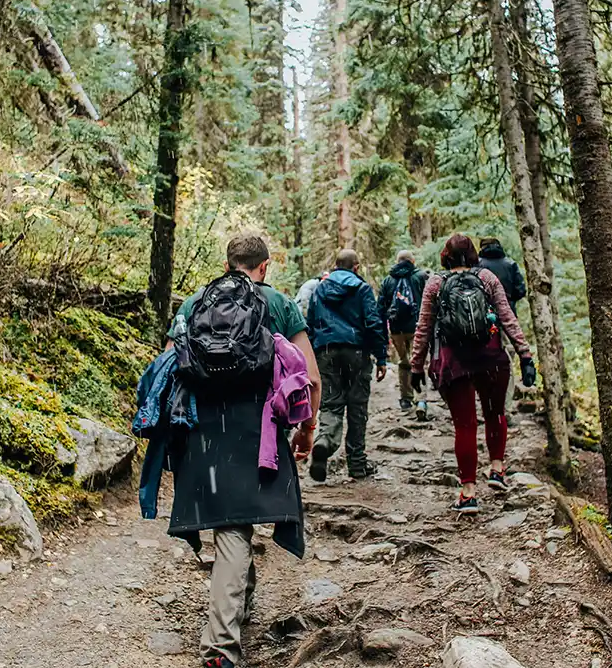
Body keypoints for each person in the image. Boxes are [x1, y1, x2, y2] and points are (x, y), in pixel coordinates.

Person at [163, 233, 322, 668]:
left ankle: (239, 603)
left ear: (227, 263)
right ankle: (219, 648)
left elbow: (167, 366)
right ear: (264, 267)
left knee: (232, 521)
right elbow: (310, 376)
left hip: (203, 432)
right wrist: (307, 429)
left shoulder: (194, 303)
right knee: (235, 527)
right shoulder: (279, 304)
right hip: (258, 429)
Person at [410, 234, 537, 514]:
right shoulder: (487, 278)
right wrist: (525, 355)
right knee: (495, 414)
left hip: (453, 362)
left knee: (465, 425)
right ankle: (497, 469)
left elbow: (424, 327)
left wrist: (416, 365)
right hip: (491, 358)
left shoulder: (436, 283)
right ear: (473, 255)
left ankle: (468, 493)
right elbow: (507, 318)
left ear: (445, 255)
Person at [306, 249, 388, 482]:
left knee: (330, 405)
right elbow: (373, 323)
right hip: (356, 352)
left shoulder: (320, 289)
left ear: (335, 265)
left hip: (326, 351)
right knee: (357, 408)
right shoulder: (362, 289)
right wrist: (381, 357)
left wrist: (311, 356)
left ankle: (324, 441)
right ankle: (357, 464)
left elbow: (310, 323)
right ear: (356, 267)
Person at [477, 237, 528, 417]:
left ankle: (486, 403)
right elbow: (521, 290)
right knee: (507, 360)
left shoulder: (477, 266)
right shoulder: (510, 264)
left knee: (482, 359)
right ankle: (505, 407)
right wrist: (508, 299)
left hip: (481, 319)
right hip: (507, 317)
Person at [378, 249, 428, 411]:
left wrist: (383, 336)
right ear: (413, 261)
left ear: (397, 261)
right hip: (417, 327)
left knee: (403, 362)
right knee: (418, 361)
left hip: (396, 329)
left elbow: (381, 309)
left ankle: (406, 399)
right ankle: (421, 400)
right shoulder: (421, 277)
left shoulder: (388, 280)